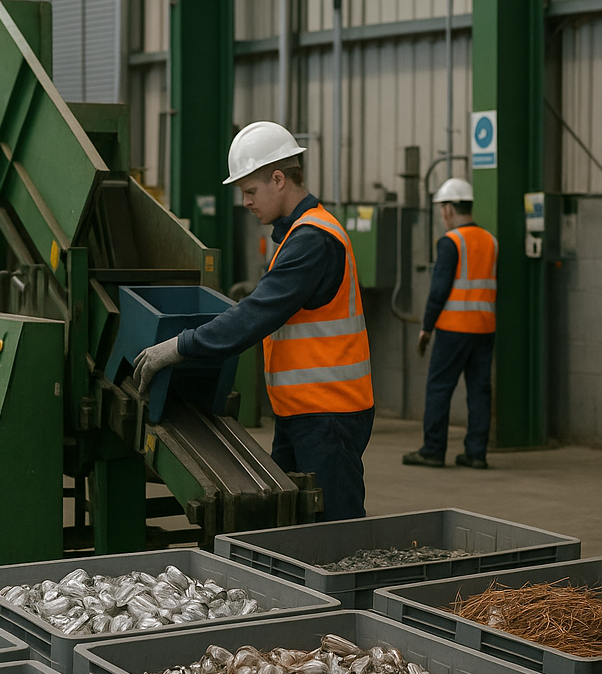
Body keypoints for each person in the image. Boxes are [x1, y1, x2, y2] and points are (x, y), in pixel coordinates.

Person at [133, 121, 375, 521]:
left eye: (250, 191)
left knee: (334, 531)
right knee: (286, 523)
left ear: (279, 179)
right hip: (304, 410)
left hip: (328, 414)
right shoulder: (298, 234)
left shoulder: (312, 240)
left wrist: (179, 346)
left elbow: (256, 313)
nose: (245, 202)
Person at [402, 178, 497, 469]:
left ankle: (433, 450)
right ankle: (476, 453)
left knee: (439, 388)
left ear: (448, 209)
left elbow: (439, 290)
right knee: (479, 391)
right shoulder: (490, 240)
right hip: (484, 328)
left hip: (454, 328)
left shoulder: (451, 242)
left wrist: (427, 327)